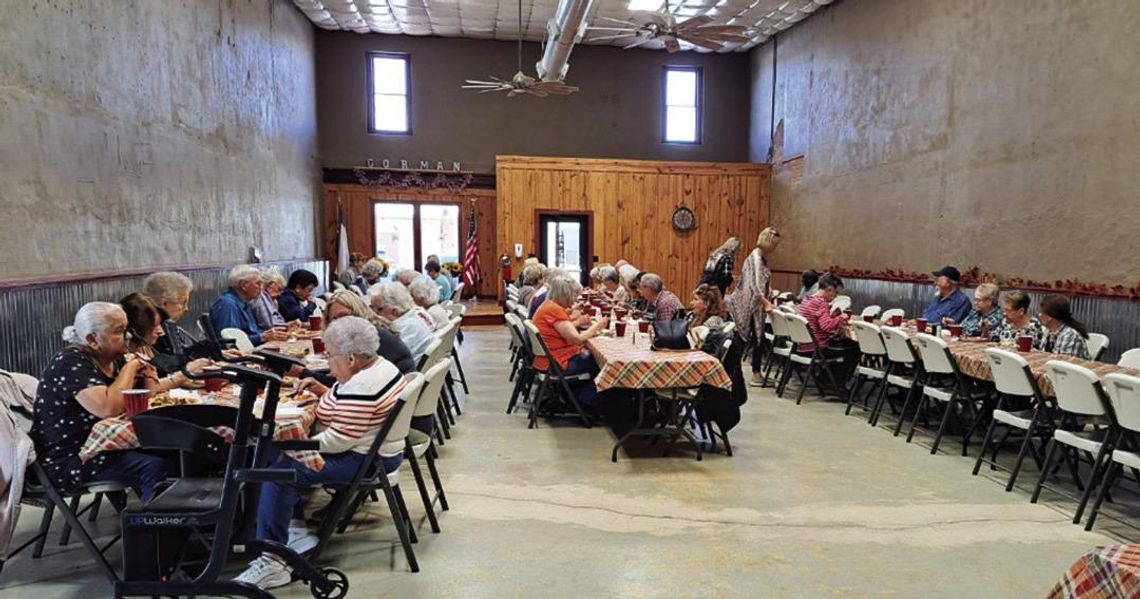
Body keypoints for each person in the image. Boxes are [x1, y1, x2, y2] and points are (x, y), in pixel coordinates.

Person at [234, 316, 409, 590]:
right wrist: (324, 391)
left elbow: (338, 440)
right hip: (368, 451)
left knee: (278, 472)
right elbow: (348, 410)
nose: (328, 361)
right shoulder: (377, 365)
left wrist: (295, 442)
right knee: (271, 455)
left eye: (330, 355)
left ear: (351, 359)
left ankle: (273, 562)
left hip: (364, 460)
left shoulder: (363, 385)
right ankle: (293, 530)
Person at [31, 303, 182, 502]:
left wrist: (148, 372)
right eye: (119, 331)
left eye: (127, 328)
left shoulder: (113, 358)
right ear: (92, 339)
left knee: (179, 453)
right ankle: (154, 529)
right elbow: (108, 408)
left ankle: (188, 520)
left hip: (107, 446)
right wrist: (132, 367)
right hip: (73, 457)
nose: (128, 336)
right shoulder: (70, 363)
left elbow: (148, 394)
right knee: (156, 466)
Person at [532, 276, 607, 407]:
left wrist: (577, 320)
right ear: (565, 294)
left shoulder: (549, 305)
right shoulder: (554, 310)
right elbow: (577, 339)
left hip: (550, 360)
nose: (575, 298)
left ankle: (576, 396)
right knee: (603, 363)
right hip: (557, 365)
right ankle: (585, 399)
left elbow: (565, 330)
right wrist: (598, 326)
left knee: (593, 356)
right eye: (573, 294)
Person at [726, 226, 780, 386]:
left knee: (758, 339)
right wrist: (766, 302)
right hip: (749, 306)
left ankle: (752, 373)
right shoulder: (755, 259)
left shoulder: (761, 258)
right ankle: (742, 374)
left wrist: (770, 294)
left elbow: (762, 284)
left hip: (756, 306)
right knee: (750, 340)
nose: (776, 248)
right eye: (774, 244)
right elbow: (754, 287)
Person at [120, 293, 211, 386]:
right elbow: (149, 387)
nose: (161, 331)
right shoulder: (122, 356)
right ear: (137, 327)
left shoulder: (145, 347)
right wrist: (186, 372)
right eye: (154, 325)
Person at [796, 273, 858, 384]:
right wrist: (840, 318)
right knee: (854, 348)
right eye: (836, 292)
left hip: (802, 346)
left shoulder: (807, 299)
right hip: (815, 349)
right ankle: (836, 383)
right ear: (829, 289)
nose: (836, 296)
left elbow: (818, 321)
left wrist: (832, 316)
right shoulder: (821, 303)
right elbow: (827, 327)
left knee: (842, 344)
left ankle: (825, 378)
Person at [210, 265, 289, 346]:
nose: (261, 288)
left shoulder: (245, 302)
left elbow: (253, 331)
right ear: (244, 285)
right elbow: (230, 341)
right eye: (258, 284)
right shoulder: (228, 305)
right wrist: (262, 337)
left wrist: (270, 333)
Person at [142, 271, 202, 372]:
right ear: (164, 303)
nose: (186, 308)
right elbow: (158, 366)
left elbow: (181, 353)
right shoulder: (145, 329)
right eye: (183, 302)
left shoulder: (170, 325)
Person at [369, 282, 436, 360]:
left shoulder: (399, 330)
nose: (374, 314)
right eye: (372, 308)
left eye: (379, 309)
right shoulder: (415, 317)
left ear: (395, 311)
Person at [1038, 295, 1091, 359]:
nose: (1039, 315)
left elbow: (1063, 364)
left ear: (1049, 317)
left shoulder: (1070, 335)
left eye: (1041, 312)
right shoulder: (1048, 331)